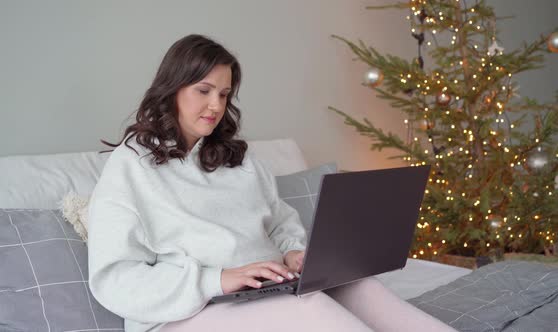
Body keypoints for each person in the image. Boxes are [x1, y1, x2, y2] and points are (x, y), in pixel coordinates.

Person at [87, 34, 456, 332]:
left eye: (224, 94)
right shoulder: (131, 166)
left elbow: (279, 222)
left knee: (362, 289)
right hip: (184, 311)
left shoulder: (238, 160)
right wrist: (217, 280)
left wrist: (294, 253)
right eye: (204, 90)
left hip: (262, 290)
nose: (215, 105)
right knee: (314, 309)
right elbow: (115, 279)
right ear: (173, 89)